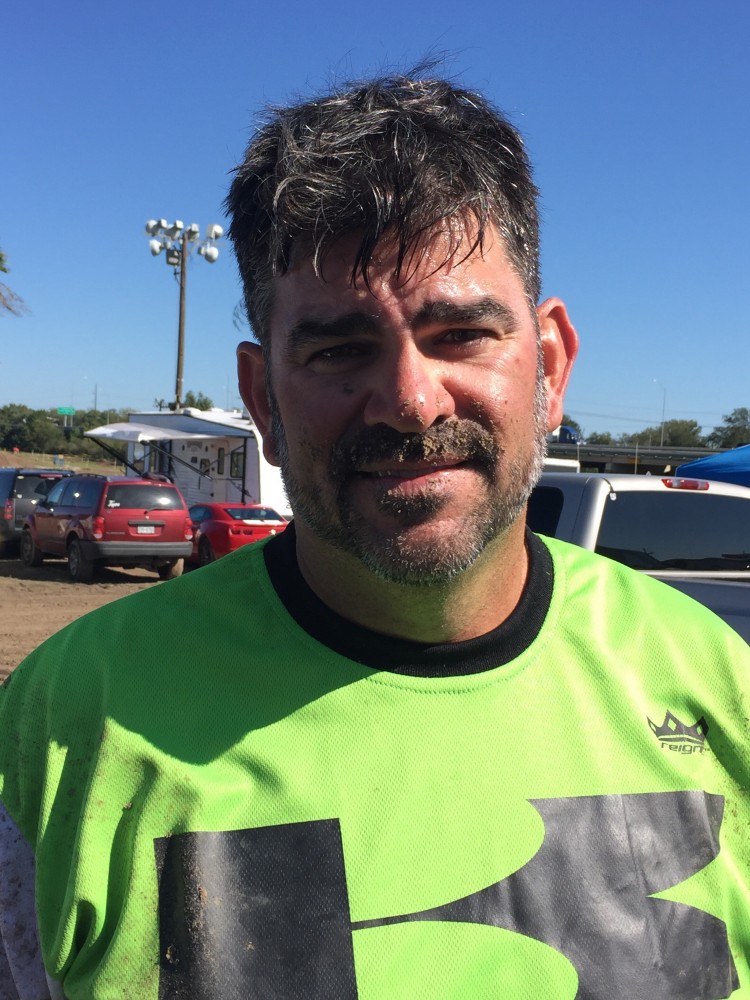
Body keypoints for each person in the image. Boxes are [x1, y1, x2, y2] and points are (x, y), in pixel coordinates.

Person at [1, 72, 749, 1000]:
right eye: (338, 349)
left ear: (550, 368)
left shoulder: (715, 683)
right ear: (263, 399)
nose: (409, 401)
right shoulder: (66, 724)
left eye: (462, 333)